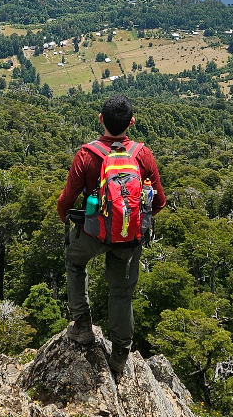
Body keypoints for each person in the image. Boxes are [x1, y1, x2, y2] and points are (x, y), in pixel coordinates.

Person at [57, 93, 165, 374]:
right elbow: (160, 202)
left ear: (101, 119)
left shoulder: (87, 155)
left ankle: (82, 326)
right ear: (132, 121)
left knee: (74, 261)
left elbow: (65, 201)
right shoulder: (142, 155)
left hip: (93, 234)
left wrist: (69, 223)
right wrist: (132, 221)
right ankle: (119, 355)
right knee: (121, 293)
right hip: (129, 238)